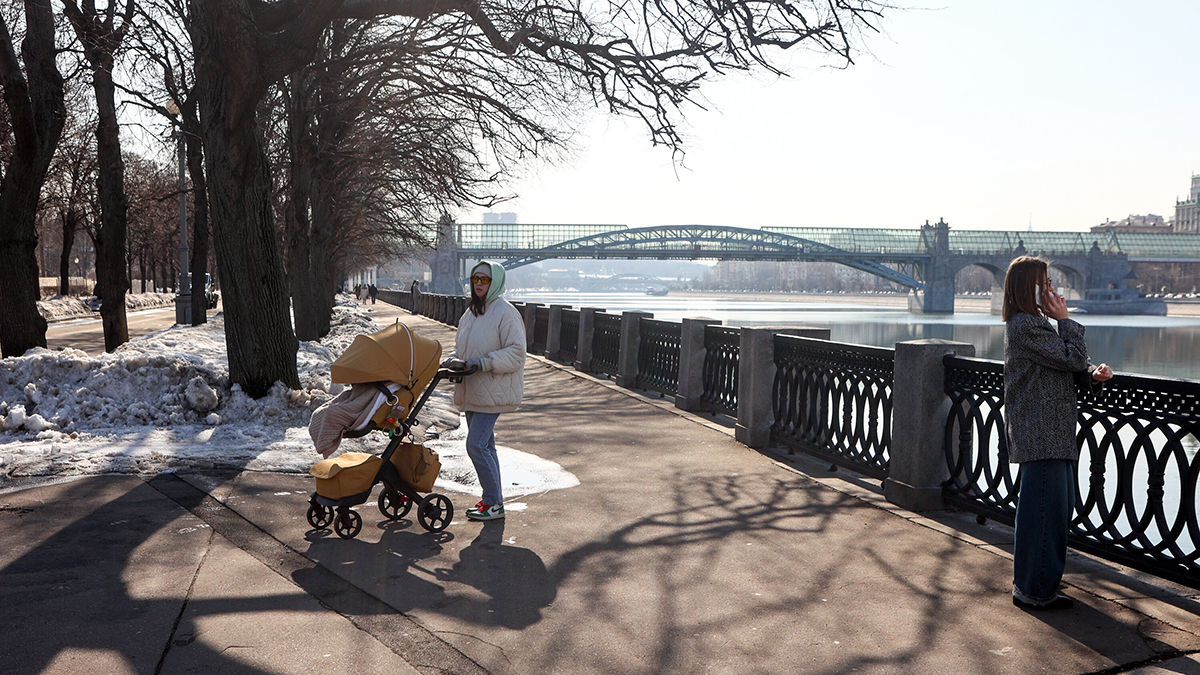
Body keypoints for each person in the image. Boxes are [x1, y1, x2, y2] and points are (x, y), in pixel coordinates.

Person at [1002, 256, 1112, 610]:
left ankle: (1035, 585)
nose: (1051, 288)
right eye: (1045, 281)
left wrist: (1092, 374)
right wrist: (1066, 321)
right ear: (1028, 287)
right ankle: (1034, 591)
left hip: (1050, 432)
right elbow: (1070, 358)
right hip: (1042, 433)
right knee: (1045, 516)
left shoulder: (1033, 323)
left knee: (1050, 513)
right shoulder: (1026, 325)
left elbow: (1065, 364)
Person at [444, 261, 526, 521]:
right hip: (473, 390)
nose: (479, 283)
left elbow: (517, 353)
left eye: (485, 279)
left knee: (476, 445)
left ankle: (493, 504)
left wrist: (485, 363)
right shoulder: (471, 313)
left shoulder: (505, 312)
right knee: (486, 446)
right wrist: (453, 360)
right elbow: (463, 348)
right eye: (475, 278)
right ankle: (493, 501)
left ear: (496, 282)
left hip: (492, 390)